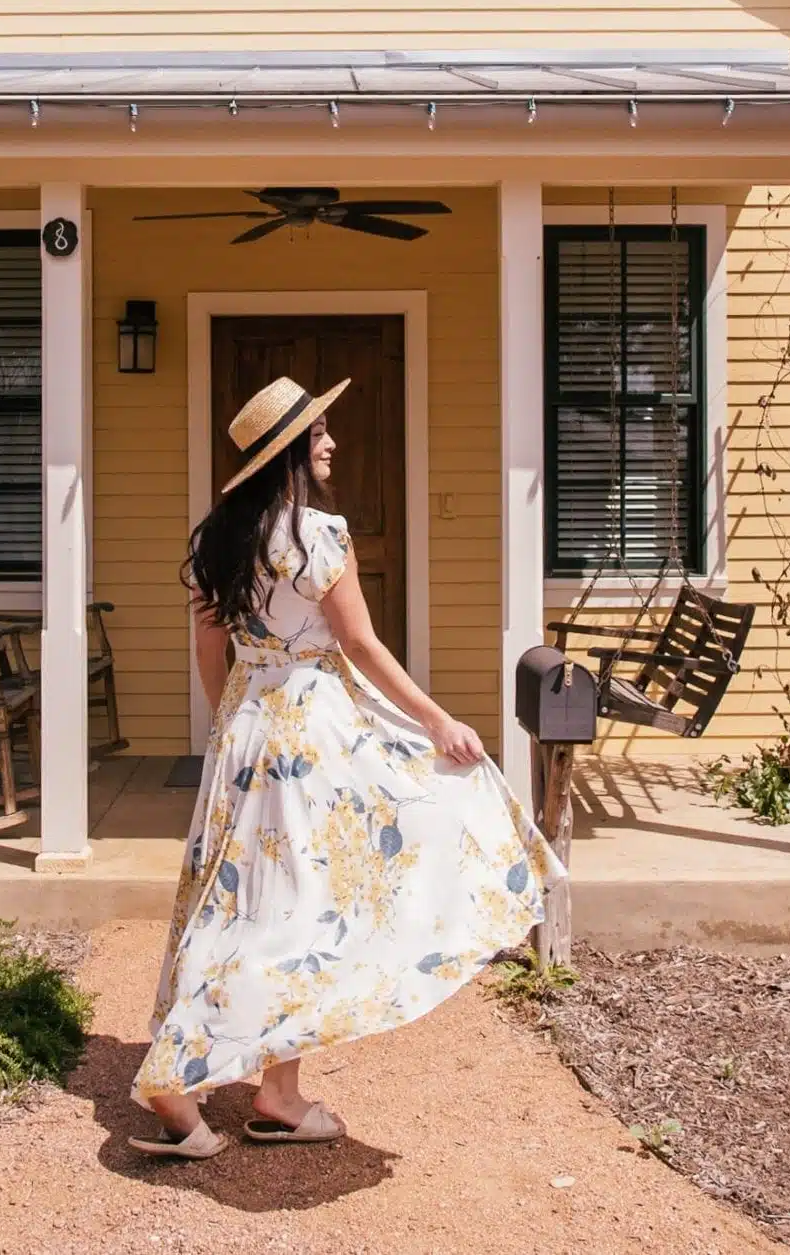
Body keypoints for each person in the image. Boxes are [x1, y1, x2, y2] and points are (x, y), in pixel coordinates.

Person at [129, 374, 564, 1158]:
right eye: (321, 433)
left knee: (236, 894)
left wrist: (231, 718)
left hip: (246, 727)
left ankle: (274, 1092)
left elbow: (209, 650)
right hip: (307, 729)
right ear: (290, 451)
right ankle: (188, 1073)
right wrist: (437, 721)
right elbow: (360, 644)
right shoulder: (319, 536)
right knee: (300, 898)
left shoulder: (216, 539)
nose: (332, 443)